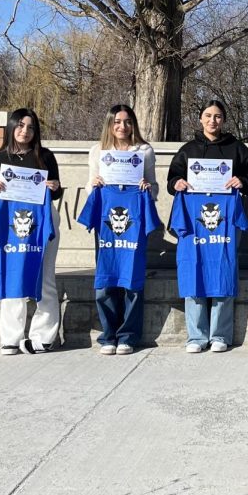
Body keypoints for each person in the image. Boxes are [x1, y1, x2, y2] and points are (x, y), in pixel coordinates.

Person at [167, 99, 248, 353]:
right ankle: (196, 336)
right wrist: (177, 183)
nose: (212, 121)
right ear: (200, 119)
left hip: (227, 222)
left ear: (224, 120)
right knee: (193, 273)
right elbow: (172, 178)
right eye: (208, 116)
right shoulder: (187, 150)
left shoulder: (237, 148)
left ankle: (220, 334)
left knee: (223, 271)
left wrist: (242, 181)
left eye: (218, 116)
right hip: (194, 222)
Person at [0, 108, 62, 355]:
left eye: (31, 127)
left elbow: (57, 192)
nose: (25, 131)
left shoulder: (44, 156)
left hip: (42, 223)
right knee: (12, 275)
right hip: (10, 225)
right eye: (20, 126)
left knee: (44, 276)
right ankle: (10, 338)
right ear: (11, 127)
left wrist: (55, 186)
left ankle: (43, 337)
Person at [84, 105, 158, 355]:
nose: (122, 127)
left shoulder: (144, 151)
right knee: (106, 280)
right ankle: (108, 335)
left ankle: (128, 335)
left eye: (127, 122)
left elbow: (154, 188)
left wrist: (148, 187)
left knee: (132, 280)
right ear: (109, 124)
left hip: (133, 222)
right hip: (106, 224)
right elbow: (89, 188)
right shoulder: (98, 151)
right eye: (117, 122)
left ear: (133, 124)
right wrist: (93, 184)